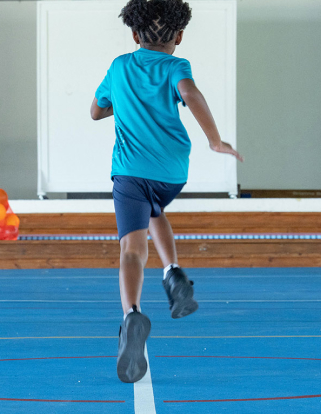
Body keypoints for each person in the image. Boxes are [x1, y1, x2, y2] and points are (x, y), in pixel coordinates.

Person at [90, 0, 243, 383]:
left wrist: (122, 105)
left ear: (135, 34)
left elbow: (95, 111)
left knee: (131, 248)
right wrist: (215, 140)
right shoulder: (177, 66)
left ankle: (131, 317)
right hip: (172, 171)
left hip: (130, 172)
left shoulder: (120, 66)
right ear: (178, 36)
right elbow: (190, 95)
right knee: (154, 210)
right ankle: (173, 272)